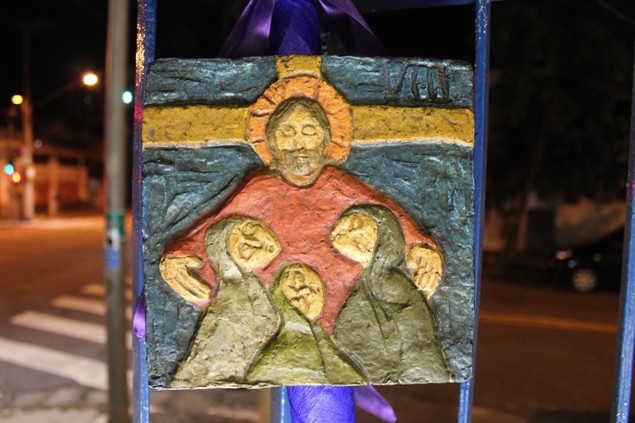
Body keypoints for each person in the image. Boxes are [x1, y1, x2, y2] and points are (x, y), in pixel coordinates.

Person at [159, 91, 445, 385]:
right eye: (287, 133)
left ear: (325, 140)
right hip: (273, 318)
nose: (299, 145)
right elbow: (213, 230)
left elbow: (387, 220)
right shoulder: (259, 188)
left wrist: (421, 246)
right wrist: (176, 258)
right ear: (272, 142)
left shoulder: (339, 185)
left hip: (346, 321)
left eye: (309, 132)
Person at [332, 206, 450, 384]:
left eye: (355, 225)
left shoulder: (391, 283)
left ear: (384, 232)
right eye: (341, 234)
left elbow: (417, 347)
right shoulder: (371, 282)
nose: (353, 235)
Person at [168, 217, 281, 387]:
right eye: (246, 246)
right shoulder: (233, 294)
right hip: (216, 375)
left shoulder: (253, 286)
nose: (256, 245)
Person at [246, 263, 365, 385]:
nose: (303, 296)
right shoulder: (289, 348)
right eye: (295, 290)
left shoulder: (319, 337)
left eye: (309, 290)